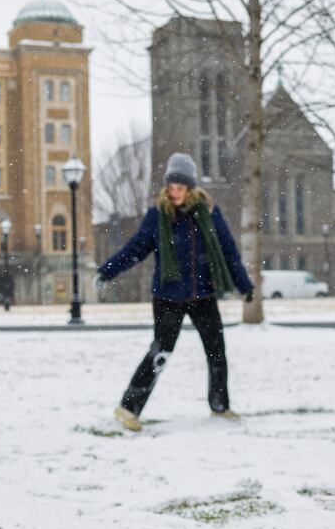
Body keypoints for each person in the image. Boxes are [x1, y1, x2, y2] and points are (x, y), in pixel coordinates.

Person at [95, 152, 255, 430]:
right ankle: (128, 409)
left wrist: (244, 285)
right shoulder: (158, 216)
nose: (175, 192)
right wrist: (108, 270)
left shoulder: (208, 213)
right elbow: (135, 248)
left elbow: (228, 252)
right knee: (160, 352)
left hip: (203, 295)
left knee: (216, 351)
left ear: (191, 188)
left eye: (180, 187)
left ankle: (220, 405)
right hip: (168, 297)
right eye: (171, 186)